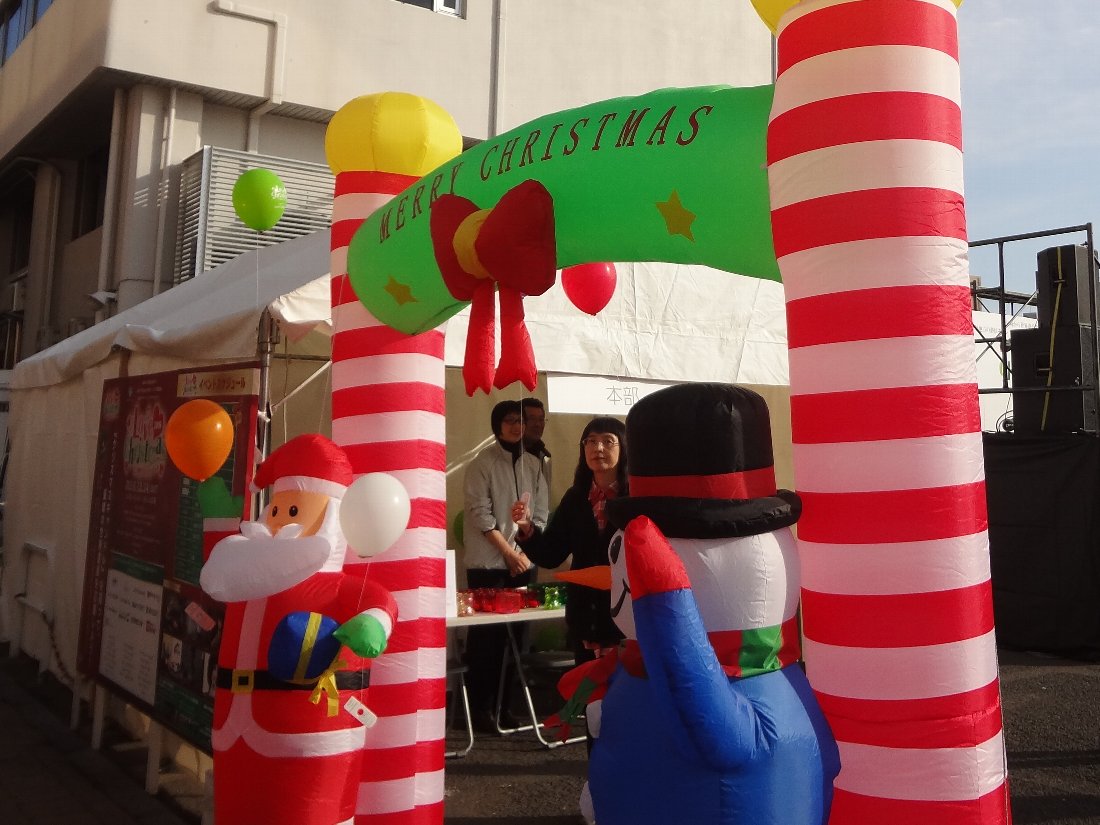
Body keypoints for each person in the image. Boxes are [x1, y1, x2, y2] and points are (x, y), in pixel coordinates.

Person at [513, 416, 628, 667]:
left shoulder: (635, 498)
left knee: (626, 687)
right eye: (591, 441)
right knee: (587, 687)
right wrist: (527, 528)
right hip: (586, 617)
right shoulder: (575, 498)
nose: (598, 448)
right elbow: (551, 554)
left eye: (608, 441)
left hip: (627, 619)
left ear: (624, 447)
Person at [463, 400, 549, 732]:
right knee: (487, 639)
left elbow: (540, 513)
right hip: (488, 564)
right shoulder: (481, 463)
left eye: (520, 421)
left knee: (518, 636)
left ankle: (504, 707)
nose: (516, 426)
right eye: (510, 420)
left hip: (523, 560)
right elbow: (479, 513)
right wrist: (508, 553)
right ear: (497, 425)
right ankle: (479, 708)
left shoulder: (534, 464)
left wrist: (524, 550)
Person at [521, 396, 553, 490]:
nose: (537, 424)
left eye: (541, 419)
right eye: (532, 419)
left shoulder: (545, 457)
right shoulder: (506, 456)